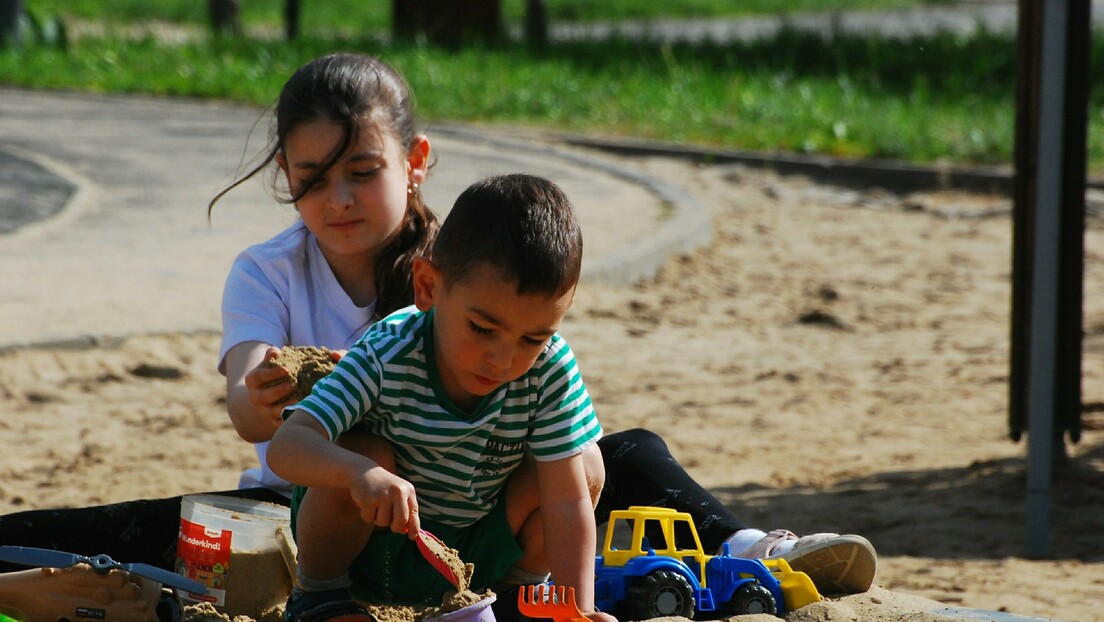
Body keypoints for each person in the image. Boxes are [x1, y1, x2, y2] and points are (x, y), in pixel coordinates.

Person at [0, 51, 876, 602]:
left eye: (361, 172)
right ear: (283, 177)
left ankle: (754, 544)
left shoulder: (467, 261)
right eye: (310, 179)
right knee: (140, 526)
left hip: (474, 496)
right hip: (322, 495)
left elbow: (538, 388)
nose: (336, 199)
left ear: (416, 164)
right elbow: (248, 407)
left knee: (617, 450)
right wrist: (267, 390)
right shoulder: (269, 271)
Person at [267, 173, 612, 620]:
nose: (502, 359)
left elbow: (565, 503)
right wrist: (358, 474)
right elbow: (288, 445)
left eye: (532, 338)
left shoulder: (549, 366)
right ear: (428, 286)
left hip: (472, 551)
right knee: (366, 452)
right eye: (483, 329)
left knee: (583, 468)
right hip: (375, 547)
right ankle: (320, 597)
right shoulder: (388, 352)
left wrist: (578, 610)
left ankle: (512, 598)